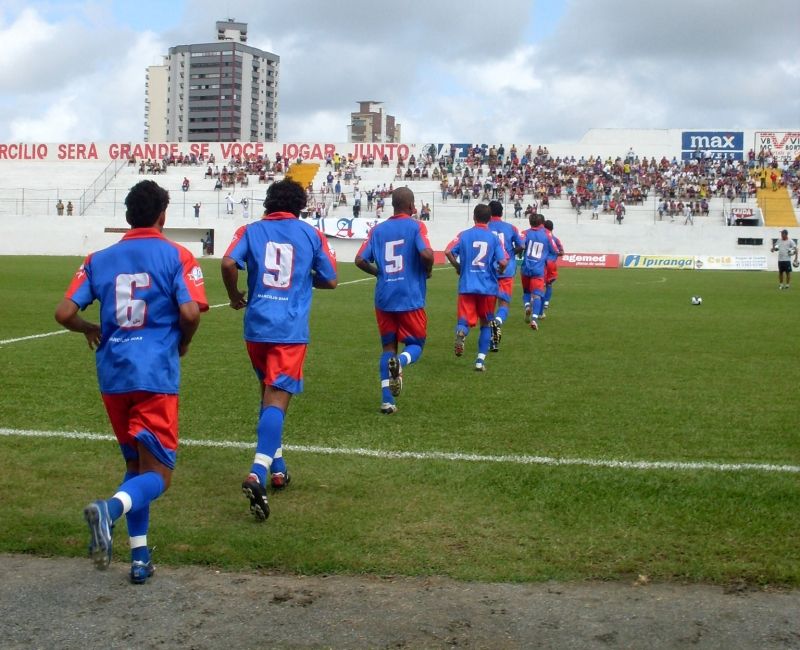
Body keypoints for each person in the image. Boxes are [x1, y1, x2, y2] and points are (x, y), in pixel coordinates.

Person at [53, 180, 208, 584]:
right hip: (154, 373)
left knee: (135, 465)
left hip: (113, 373)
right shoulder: (176, 254)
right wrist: (183, 343)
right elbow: (190, 312)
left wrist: (89, 326)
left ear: (128, 216)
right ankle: (108, 510)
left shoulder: (99, 258)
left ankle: (139, 558)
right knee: (159, 476)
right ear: (162, 216)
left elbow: (64, 311)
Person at [221, 179, 337, 521]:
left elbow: (228, 264)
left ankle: (278, 469)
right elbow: (331, 279)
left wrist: (233, 296)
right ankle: (257, 472)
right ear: (300, 205)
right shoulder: (310, 234)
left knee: (267, 395)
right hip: (288, 329)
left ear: (269, 203)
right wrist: (303, 277)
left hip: (256, 326)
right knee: (277, 398)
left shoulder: (250, 229)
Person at [355, 187, 434, 414]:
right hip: (410, 297)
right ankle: (402, 362)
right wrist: (427, 270)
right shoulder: (416, 225)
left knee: (388, 347)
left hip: (384, 297)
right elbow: (427, 254)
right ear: (411, 206)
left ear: (393, 205)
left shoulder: (378, 230)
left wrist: (378, 273)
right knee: (416, 345)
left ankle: (387, 400)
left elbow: (359, 259)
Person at [445, 204, 508, 371]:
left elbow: (448, 251)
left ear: (474, 217)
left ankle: (461, 334)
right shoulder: (493, 238)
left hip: (467, 285)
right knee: (486, 324)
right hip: (487, 287)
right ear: (489, 219)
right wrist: (498, 270)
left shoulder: (464, 235)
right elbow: (503, 262)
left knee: (463, 321)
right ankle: (480, 362)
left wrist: (458, 267)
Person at [487, 200, 524, 351]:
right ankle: (498, 322)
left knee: (489, 306)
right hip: (507, 271)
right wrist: (509, 253)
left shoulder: (485, 227)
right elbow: (522, 245)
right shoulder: (511, 228)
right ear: (502, 213)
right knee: (503, 304)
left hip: (489, 272)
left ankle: (490, 334)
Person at [520, 213, 558, 330]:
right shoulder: (547, 235)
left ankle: (527, 306)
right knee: (537, 295)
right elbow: (555, 251)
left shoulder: (525, 233)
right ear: (541, 223)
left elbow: (520, 245)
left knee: (526, 292)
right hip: (538, 269)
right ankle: (535, 319)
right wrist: (547, 261)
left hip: (526, 267)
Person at [542, 219, 564, 316]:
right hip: (552, 264)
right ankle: (546, 302)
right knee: (549, 285)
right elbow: (562, 252)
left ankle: (536, 302)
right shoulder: (556, 239)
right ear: (552, 228)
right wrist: (556, 254)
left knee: (540, 284)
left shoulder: (542, 238)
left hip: (542, 264)